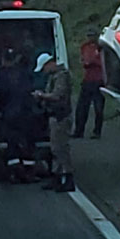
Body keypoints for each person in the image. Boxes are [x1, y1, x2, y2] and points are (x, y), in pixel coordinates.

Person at [0, 48, 39, 183]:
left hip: (10, 115)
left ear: (4, 60)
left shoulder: (1, 75)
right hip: (27, 114)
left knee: (12, 144)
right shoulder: (24, 74)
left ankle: (14, 173)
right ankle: (29, 173)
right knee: (27, 144)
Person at [32, 53, 75, 192]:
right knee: (55, 148)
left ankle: (68, 178)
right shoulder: (54, 76)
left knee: (61, 149)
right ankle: (56, 178)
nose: (43, 71)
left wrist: (41, 95)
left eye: (44, 68)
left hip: (61, 116)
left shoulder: (61, 76)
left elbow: (57, 95)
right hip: (55, 116)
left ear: (49, 64)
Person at [73, 27, 105, 139]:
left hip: (99, 80)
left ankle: (97, 131)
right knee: (81, 107)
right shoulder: (84, 47)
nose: (90, 38)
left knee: (98, 108)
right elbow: (82, 60)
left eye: (92, 35)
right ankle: (79, 130)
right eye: (89, 35)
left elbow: (103, 62)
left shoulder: (102, 48)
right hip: (87, 79)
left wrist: (92, 62)